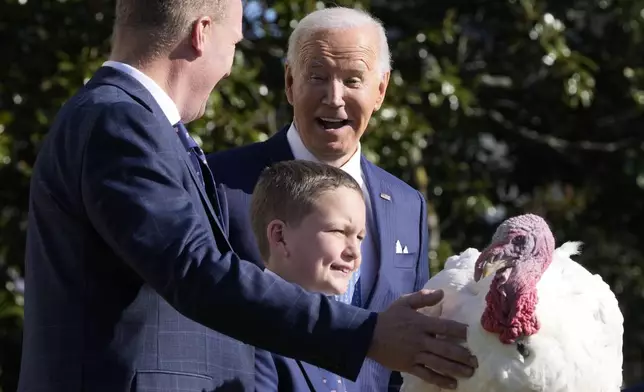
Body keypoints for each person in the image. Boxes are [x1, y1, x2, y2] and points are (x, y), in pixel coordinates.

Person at [18, 0, 477, 390]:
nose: (230, 63)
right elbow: (195, 269)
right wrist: (368, 335)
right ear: (202, 34)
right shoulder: (119, 120)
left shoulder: (128, 120)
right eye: (234, 43)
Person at [207, 6, 431, 391]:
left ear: (381, 90)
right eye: (317, 76)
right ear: (290, 83)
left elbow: (411, 348)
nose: (335, 97)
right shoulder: (220, 183)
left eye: (353, 80)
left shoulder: (408, 206)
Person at [251, 160, 367, 392]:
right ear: (280, 236)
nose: (354, 252)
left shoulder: (344, 336)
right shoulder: (250, 334)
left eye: (360, 237)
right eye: (338, 231)